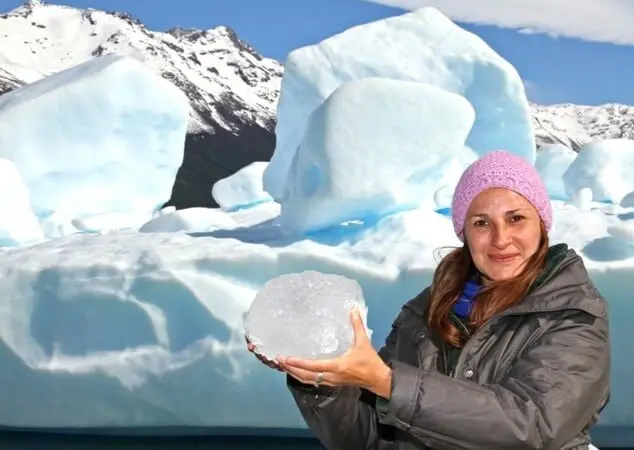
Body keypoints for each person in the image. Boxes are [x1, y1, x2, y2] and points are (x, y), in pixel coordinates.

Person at [246, 150, 610, 450]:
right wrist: (323, 379)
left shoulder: (573, 315)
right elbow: (367, 440)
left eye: (516, 219)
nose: (501, 239)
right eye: (481, 223)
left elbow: (532, 427)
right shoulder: (425, 312)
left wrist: (389, 383)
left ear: (541, 225)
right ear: (464, 233)